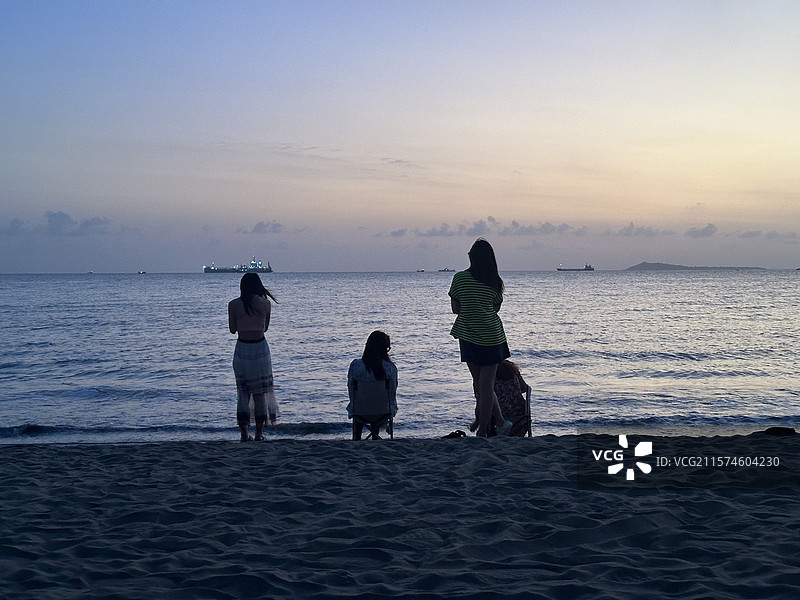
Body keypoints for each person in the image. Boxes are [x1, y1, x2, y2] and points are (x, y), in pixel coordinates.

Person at [449, 238, 513, 437]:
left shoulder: (460, 279)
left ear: (472, 258)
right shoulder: (495, 282)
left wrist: (470, 307)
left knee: (480, 384)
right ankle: (498, 422)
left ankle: (484, 430)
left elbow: (455, 309)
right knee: (484, 385)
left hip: (468, 336)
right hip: (492, 336)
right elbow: (495, 308)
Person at [228, 272, 278, 442]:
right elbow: (264, 329)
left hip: (242, 349)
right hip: (260, 350)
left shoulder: (233, 304)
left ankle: (244, 434)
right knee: (260, 394)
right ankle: (258, 434)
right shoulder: (265, 304)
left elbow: (232, 329)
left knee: (243, 393)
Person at [347, 331, 398, 440]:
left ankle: (356, 438)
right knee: (379, 404)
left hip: (359, 412)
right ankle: (375, 437)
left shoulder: (355, 366)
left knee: (360, 405)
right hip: (382, 412)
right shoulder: (390, 369)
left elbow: (351, 390)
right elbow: (392, 394)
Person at [470, 360, 529, 436]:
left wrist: (477, 422)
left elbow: (481, 402)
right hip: (520, 415)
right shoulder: (511, 368)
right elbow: (525, 388)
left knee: (485, 401)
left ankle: (484, 430)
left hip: (496, 417)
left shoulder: (483, 378)